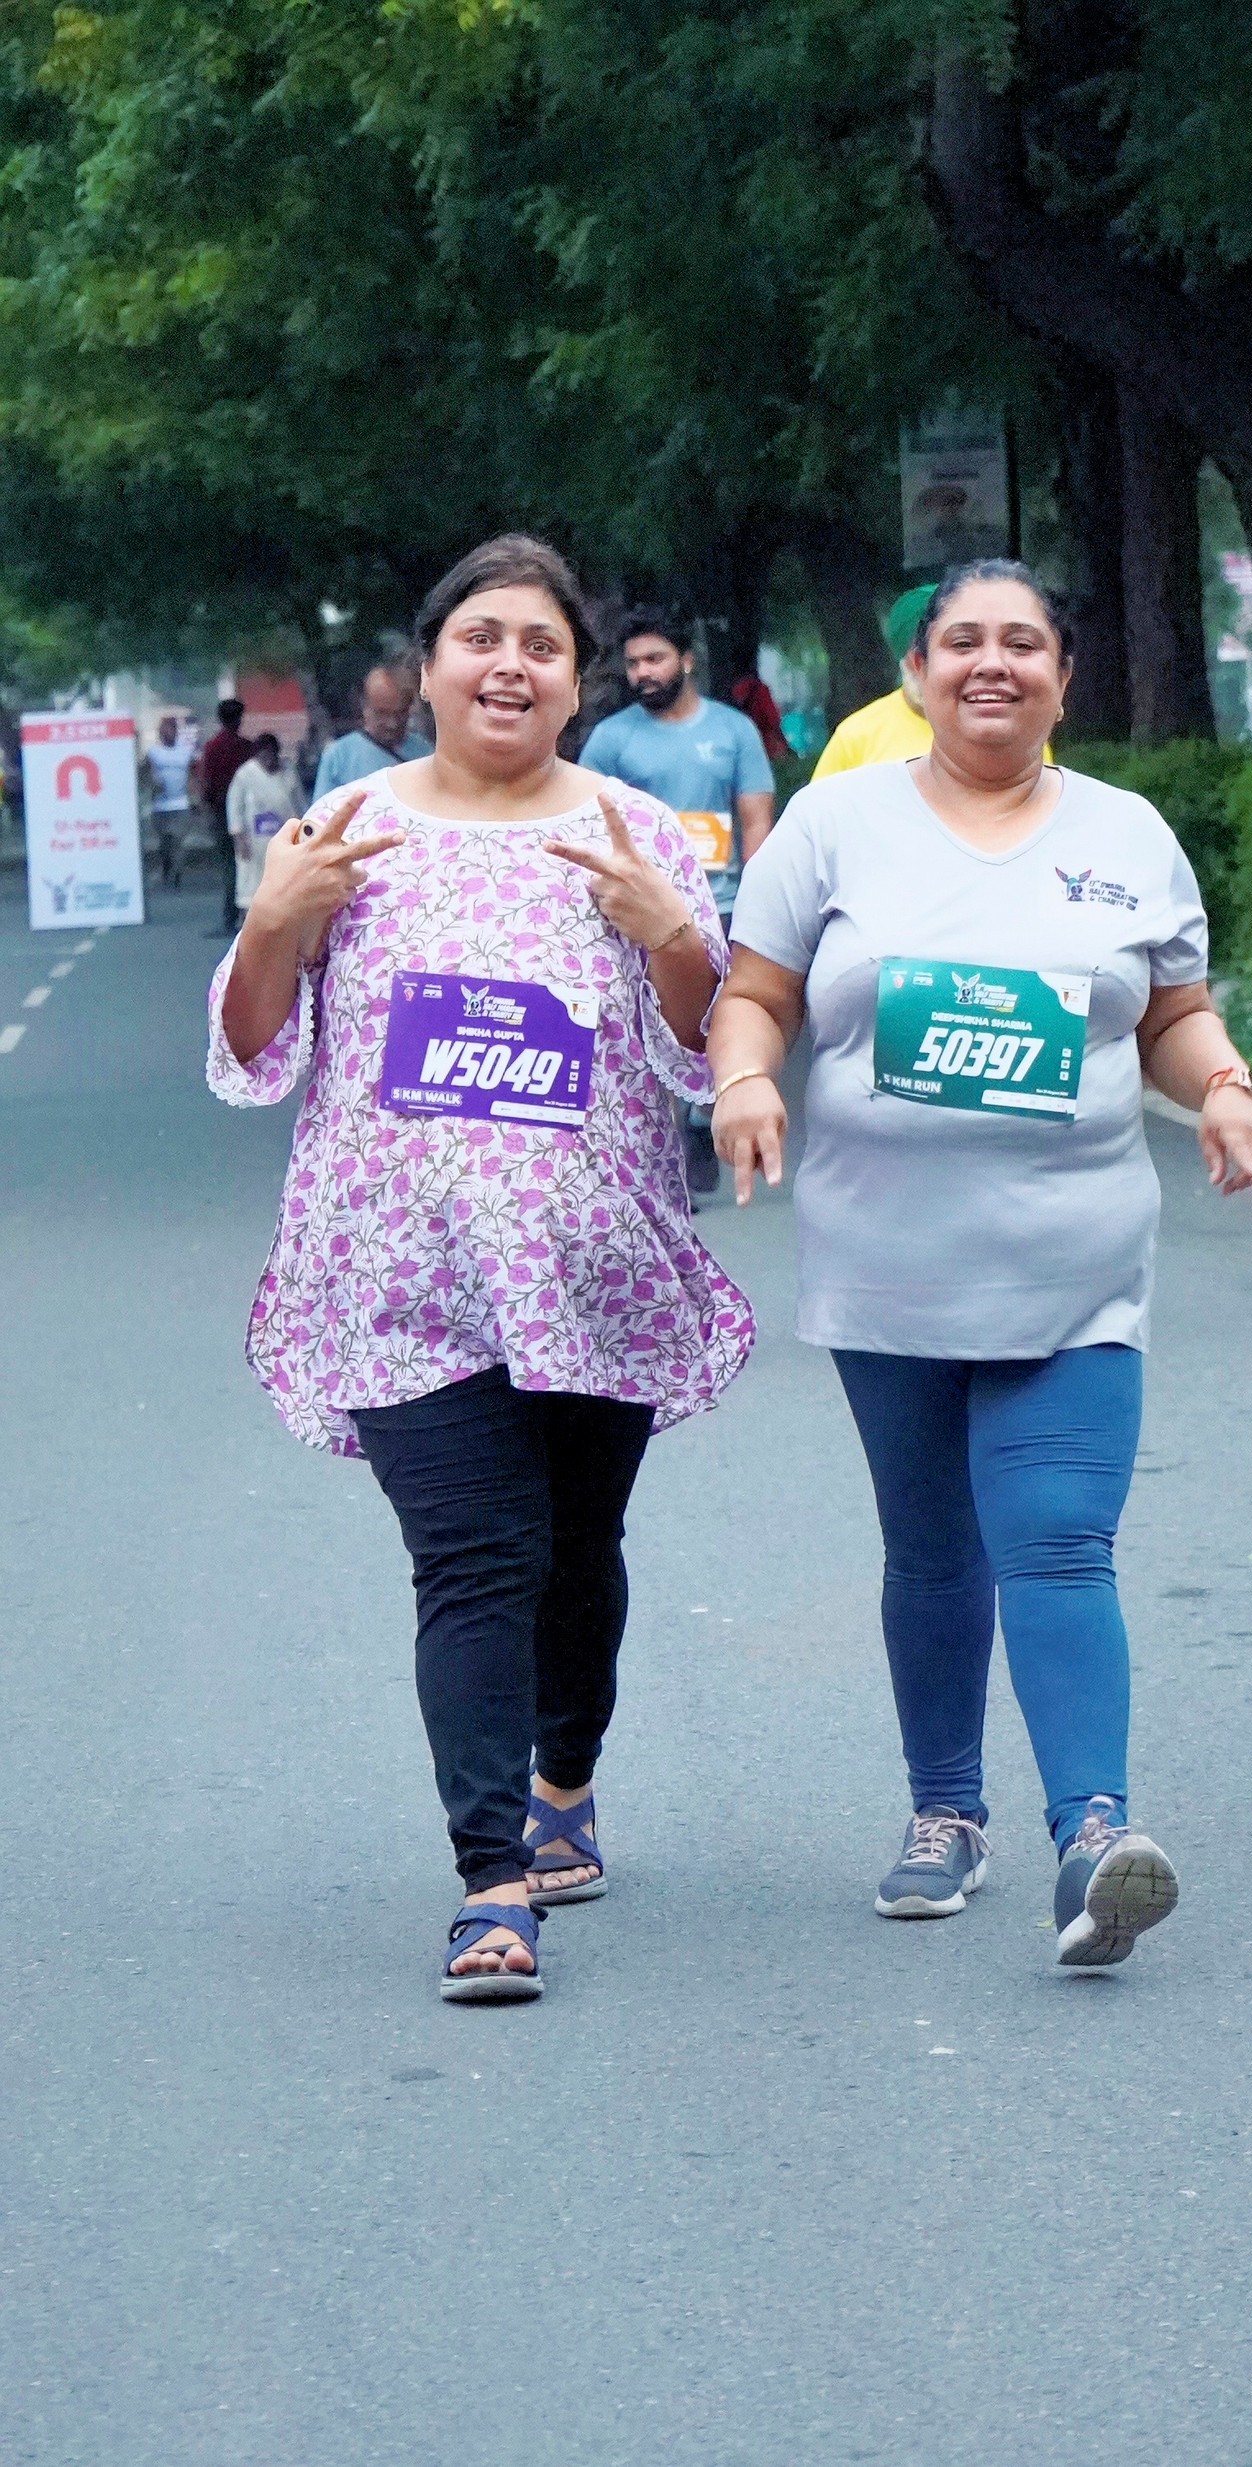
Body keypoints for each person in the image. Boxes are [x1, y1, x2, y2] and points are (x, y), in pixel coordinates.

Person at [208, 534, 754, 2004]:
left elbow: (705, 1047)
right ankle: (491, 1880)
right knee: (472, 1559)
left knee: (575, 1553)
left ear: (578, 684)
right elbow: (252, 1039)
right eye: (481, 638)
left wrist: (669, 936)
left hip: (594, 1273)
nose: (509, 664)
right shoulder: (342, 829)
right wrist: (274, 920)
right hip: (400, 1276)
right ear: (431, 664)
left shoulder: (638, 833)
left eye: (541, 645)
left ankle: (565, 1772)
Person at [709, 558, 1252, 1972]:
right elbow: (756, 991)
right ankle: (946, 1810)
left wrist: (1224, 1088)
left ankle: (1093, 1839)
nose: (991, 662)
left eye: (1023, 642)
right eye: (960, 639)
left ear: (1063, 679)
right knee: (932, 1548)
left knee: (1060, 1537)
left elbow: (1173, 1014)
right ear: (916, 673)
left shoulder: (1127, 834)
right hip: (886, 1261)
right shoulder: (834, 825)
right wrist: (744, 1079)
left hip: (1074, 1261)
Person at [581, 607, 776, 1195]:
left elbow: (755, 818)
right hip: (643, 913)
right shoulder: (611, 739)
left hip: (724, 902)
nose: (642, 672)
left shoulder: (733, 731)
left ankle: (701, 1118)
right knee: (650, 1032)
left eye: (655, 659)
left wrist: (760, 902)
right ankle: (663, 1160)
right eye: (633, 663)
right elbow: (587, 820)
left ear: (686, 661)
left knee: (717, 1021)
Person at [809, 585, 937, 779]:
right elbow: (820, 798)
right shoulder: (855, 736)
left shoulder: (983, 726)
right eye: (921, 655)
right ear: (905, 659)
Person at [312, 664, 433, 797]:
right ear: (364, 706)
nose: (392, 724)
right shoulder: (338, 757)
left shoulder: (426, 753)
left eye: (400, 713)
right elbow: (323, 808)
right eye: (381, 713)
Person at [196, 697, 257, 934]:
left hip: (221, 810)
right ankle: (249, 911)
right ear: (239, 719)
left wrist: (207, 805)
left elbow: (207, 782)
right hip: (249, 812)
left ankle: (230, 915)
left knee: (229, 864)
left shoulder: (213, 747)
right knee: (248, 861)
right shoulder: (247, 747)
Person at [226, 731, 301, 915]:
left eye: (270, 754)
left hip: (283, 838)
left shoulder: (288, 772)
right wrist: (239, 838)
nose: (267, 760)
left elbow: (299, 804)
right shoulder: (245, 775)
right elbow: (234, 807)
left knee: (284, 883)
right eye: (263, 755)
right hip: (253, 841)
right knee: (252, 885)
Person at [143, 713, 194, 889]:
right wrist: (152, 782)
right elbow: (143, 774)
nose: (169, 732)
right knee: (165, 842)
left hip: (181, 804)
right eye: (165, 729)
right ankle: (166, 867)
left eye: (172, 728)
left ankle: (177, 874)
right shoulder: (153, 753)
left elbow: (193, 776)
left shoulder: (185, 752)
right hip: (160, 806)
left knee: (178, 840)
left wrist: (194, 798)